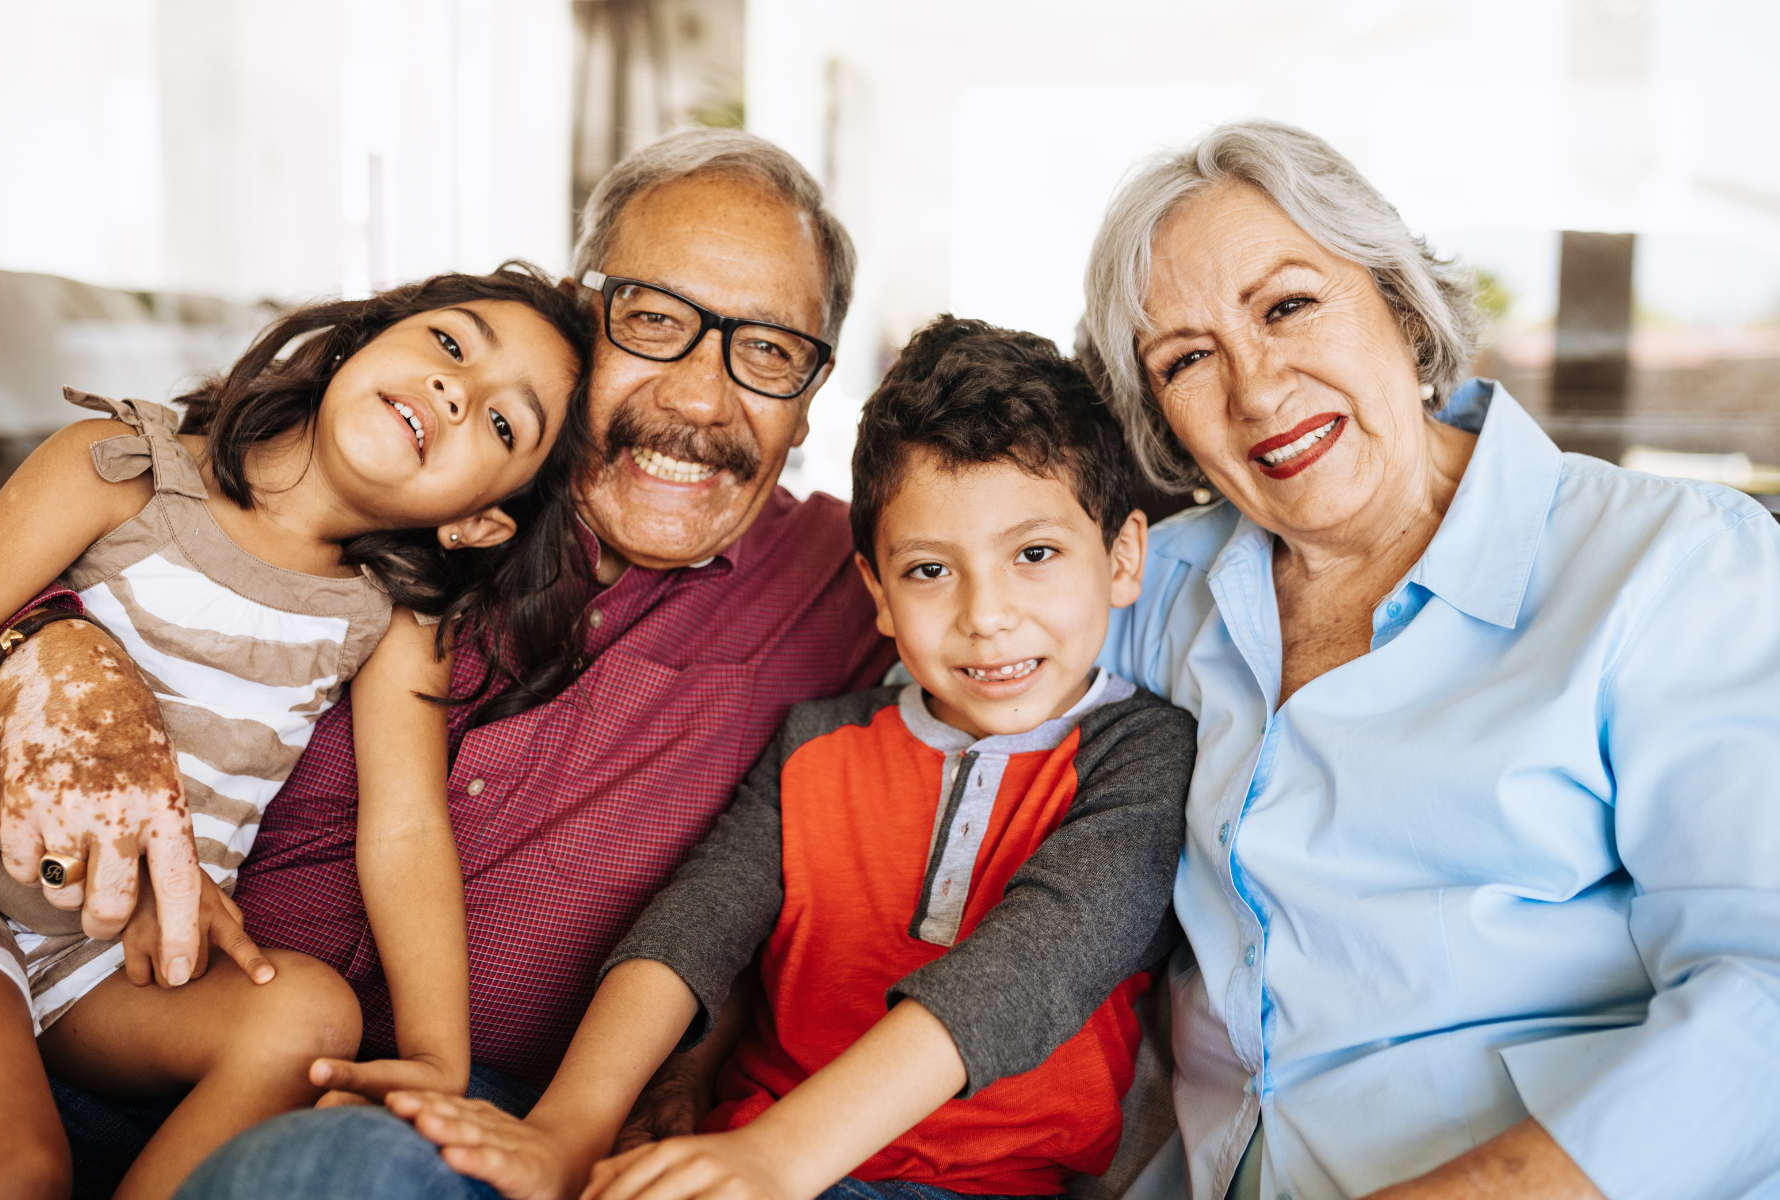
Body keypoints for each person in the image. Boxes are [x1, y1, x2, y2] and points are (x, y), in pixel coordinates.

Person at [0, 129, 896, 1193]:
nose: (698, 397)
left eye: (771, 349)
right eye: (654, 320)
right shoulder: (288, 496)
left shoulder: (856, 582)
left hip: (222, 1036)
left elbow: (1020, 609)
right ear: (583, 320)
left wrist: (460, 1065)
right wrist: (45, 645)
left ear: (813, 396)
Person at [177, 317, 1195, 1200]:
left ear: (1122, 560)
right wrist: (565, 1131)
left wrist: (776, 1162)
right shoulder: (818, 742)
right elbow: (694, 926)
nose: (986, 616)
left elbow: (1037, 967)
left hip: (947, 1185)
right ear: (877, 596)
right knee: (320, 1170)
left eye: (1035, 555)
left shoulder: (1141, 755)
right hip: (721, 1157)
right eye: (929, 570)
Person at [1074, 119, 1780, 1199]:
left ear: (1401, 312)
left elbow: (1764, 990)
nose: (1256, 391)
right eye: (1187, 360)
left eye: (1287, 305)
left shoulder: (1668, 565)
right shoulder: (1147, 591)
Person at [0, 263, 591, 1199]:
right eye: (451, 344)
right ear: (356, 342)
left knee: (310, 1015)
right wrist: (121, 864)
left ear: (479, 524)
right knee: (10, 1171)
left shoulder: (391, 619)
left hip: (111, 956)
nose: (460, 391)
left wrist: (435, 1062)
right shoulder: (119, 465)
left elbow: (408, 828)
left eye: (505, 424)